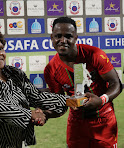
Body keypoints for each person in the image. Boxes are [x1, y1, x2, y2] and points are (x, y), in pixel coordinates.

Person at [44, 17, 122, 148]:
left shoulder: (94, 54)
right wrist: (45, 114)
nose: (63, 41)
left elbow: (116, 84)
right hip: (77, 124)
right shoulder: (50, 69)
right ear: (51, 37)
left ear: (75, 38)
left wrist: (102, 100)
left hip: (104, 120)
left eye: (68, 36)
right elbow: (60, 105)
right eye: (58, 36)